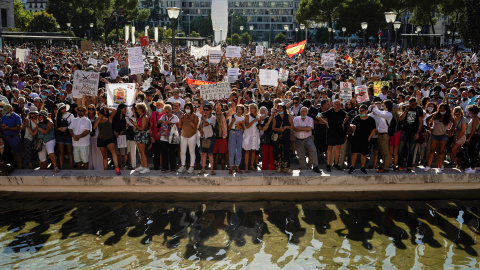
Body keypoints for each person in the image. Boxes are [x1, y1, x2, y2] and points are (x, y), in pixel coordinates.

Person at [317, 100, 348, 172]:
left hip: (339, 132)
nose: (338, 106)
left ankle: (336, 164)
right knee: (330, 148)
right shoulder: (330, 111)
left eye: (339, 104)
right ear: (333, 105)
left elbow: (347, 117)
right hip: (331, 132)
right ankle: (328, 164)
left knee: (338, 148)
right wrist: (325, 122)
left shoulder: (341, 112)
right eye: (336, 104)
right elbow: (318, 116)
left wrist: (343, 123)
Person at [424, 104, 454, 172]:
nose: (442, 110)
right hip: (434, 134)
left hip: (443, 135)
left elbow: (454, 123)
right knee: (432, 151)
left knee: (441, 152)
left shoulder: (448, 116)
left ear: (446, 110)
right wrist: (429, 127)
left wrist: (450, 130)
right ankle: (428, 166)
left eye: (443, 108)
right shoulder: (436, 114)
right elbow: (427, 119)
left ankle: (439, 167)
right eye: (441, 108)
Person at [398, 97, 424, 172]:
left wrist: (418, 133)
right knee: (401, 149)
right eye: (413, 104)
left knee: (411, 150)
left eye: (415, 104)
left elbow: (420, 122)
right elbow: (400, 118)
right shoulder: (404, 107)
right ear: (409, 104)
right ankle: (400, 165)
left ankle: (409, 166)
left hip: (414, 131)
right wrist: (406, 110)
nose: (414, 105)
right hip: (405, 130)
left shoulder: (419, 109)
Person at [348, 105, 376, 174]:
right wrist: (352, 126)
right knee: (354, 153)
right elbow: (351, 125)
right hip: (356, 138)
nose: (360, 112)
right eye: (359, 110)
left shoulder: (371, 119)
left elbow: (373, 129)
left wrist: (369, 138)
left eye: (362, 110)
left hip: (365, 139)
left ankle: (362, 167)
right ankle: (352, 166)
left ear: (366, 111)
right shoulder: (357, 118)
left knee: (364, 154)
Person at [93, 107, 121, 174]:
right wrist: (99, 118)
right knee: (104, 155)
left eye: (104, 111)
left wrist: (106, 107)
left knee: (113, 152)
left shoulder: (110, 118)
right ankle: (105, 170)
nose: (103, 112)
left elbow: (115, 110)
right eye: (102, 111)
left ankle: (117, 168)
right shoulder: (97, 119)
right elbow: (94, 127)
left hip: (109, 138)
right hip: (101, 139)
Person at [293, 107, 321, 173]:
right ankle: (303, 168)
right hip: (298, 139)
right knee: (301, 155)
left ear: (307, 112)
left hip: (308, 138)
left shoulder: (310, 119)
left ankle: (315, 166)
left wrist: (300, 128)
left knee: (313, 150)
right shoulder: (296, 119)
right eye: (301, 111)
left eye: (304, 111)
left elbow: (309, 129)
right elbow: (295, 129)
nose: (302, 113)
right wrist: (305, 128)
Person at [371, 99, 394, 173]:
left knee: (385, 152)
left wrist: (374, 107)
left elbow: (380, 114)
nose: (382, 105)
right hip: (380, 134)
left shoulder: (389, 114)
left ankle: (386, 167)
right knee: (382, 152)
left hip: (384, 135)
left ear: (387, 106)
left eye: (383, 104)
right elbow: (378, 113)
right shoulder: (384, 112)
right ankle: (383, 165)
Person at [272, 103, 294, 174]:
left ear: (284, 109)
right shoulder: (276, 117)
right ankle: (279, 167)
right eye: (278, 108)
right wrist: (279, 129)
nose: (279, 109)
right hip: (278, 137)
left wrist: (286, 127)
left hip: (286, 136)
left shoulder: (288, 116)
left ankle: (286, 167)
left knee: (286, 151)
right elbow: (273, 128)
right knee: (278, 151)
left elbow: (292, 126)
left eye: (281, 108)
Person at [157, 104, 179, 172]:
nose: (166, 113)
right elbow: (157, 124)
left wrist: (170, 123)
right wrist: (159, 122)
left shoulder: (174, 117)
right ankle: (164, 167)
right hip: (164, 137)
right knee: (164, 152)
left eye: (167, 112)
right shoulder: (163, 117)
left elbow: (177, 126)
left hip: (172, 137)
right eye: (165, 112)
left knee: (172, 152)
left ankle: (173, 167)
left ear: (170, 111)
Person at [68, 105, 92, 170]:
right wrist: (73, 136)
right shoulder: (74, 120)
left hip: (84, 144)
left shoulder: (87, 121)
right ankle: (79, 173)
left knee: (85, 160)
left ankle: (86, 174)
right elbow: (70, 129)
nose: (79, 112)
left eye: (81, 111)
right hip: (75, 144)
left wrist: (78, 136)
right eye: (78, 110)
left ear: (84, 112)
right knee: (77, 160)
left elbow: (87, 131)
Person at [178, 102, 198, 174]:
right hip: (183, 135)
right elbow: (180, 126)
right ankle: (183, 166)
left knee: (191, 152)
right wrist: (181, 119)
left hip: (192, 136)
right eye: (186, 108)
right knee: (182, 152)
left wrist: (189, 119)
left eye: (188, 108)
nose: (187, 110)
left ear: (191, 109)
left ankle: (191, 166)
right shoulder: (183, 116)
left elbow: (194, 126)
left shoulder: (195, 116)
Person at [0, 104, 22, 168]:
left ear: (11, 110)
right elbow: (1, 125)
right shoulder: (4, 116)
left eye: (7, 112)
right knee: (8, 153)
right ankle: (12, 165)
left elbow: (19, 127)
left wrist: (8, 128)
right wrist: (2, 126)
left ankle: (20, 166)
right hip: (6, 137)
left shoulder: (17, 117)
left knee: (17, 153)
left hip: (15, 137)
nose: (6, 113)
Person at [130, 103, 150, 173]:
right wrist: (135, 123)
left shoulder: (144, 117)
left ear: (141, 109)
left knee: (142, 152)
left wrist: (134, 124)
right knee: (140, 152)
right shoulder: (141, 116)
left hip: (142, 135)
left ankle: (146, 167)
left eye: (137, 108)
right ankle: (142, 165)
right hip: (139, 135)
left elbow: (142, 128)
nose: (137, 110)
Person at [199, 104, 216, 175]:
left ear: (210, 110)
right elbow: (200, 126)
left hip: (210, 137)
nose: (205, 111)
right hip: (203, 137)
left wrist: (203, 117)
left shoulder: (212, 118)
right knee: (203, 153)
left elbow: (206, 124)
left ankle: (212, 169)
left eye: (206, 110)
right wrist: (200, 130)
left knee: (210, 154)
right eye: (204, 110)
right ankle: (203, 168)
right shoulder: (202, 117)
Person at [55, 103, 74, 169]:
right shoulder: (57, 116)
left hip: (68, 135)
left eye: (65, 107)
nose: (64, 109)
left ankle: (71, 166)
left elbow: (73, 124)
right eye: (62, 108)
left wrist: (67, 128)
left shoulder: (71, 115)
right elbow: (56, 127)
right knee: (61, 152)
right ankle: (61, 166)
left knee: (70, 152)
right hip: (60, 135)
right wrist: (59, 129)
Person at [228, 105, 245, 174]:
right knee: (231, 151)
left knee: (239, 151)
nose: (239, 110)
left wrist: (243, 125)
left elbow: (243, 130)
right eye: (238, 109)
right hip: (232, 132)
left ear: (242, 111)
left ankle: (237, 167)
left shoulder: (243, 118)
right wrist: (232, 121)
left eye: (240, 109)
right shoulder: (232, 116)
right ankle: (231, 167)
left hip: (240, 133)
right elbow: (228, 128)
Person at [243, 104, 260, 173]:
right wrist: (254, 120)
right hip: (248, 135)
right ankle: (246, 166)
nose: (251, 109)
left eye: (252, 108)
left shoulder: (258, 116)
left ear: (256, 109)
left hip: (255, 135)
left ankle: (252, 165)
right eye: (250, 108)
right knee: (247, 151)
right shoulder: (247, 116)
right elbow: (247, 126)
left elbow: (260, 127)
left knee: (253, 150)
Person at [258, 106, 275, 171]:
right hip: (266, 138)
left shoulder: (278, 119)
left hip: (274, 139)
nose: (273, 114)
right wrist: (269, 120)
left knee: (272, 155)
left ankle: (272, 168)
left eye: (275, 112)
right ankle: (264, 168)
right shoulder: (267, 119)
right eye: (272, 112)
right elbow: (264, 128)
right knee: (265, 154)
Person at [87, 104, 103, 170]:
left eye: (92, 109)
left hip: (96, 136)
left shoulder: (97, 118)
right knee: (89, 152)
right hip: (87, 137)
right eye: (89, 109)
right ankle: (91, 166)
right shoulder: (86, 118)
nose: (91, 110)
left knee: (97, 152)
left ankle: (98, 166)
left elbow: (96, 127)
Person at [112, 103, 129, 169]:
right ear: (120, 109)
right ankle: (118, 165)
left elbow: (127, 127)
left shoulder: (126, 117)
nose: (126, 110)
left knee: (123, 153)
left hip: (123, 137)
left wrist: (123, 131)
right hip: (116, 137)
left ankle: (124, 165)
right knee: (117, 152)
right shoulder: (115, 117)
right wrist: (115, 132)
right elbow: (112, 126)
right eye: (125, 109)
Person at [149, 100, 164, 170]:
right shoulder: (153, 114)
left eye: (159, 105)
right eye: (157, 105)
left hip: (164, 138)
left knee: (164, 154)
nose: (158, 107)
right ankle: (156, 168)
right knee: (156, 154)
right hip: (155, 138)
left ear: (163, 106)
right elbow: (151, 126)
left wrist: (161, 132)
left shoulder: (165, 114)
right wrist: (151, 136)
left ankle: (164, 168)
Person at [213, 102, 228, 171]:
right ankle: (215, 167)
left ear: (221, 107)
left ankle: (222, 168)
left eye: (219, 105)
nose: (218, 106)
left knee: (222, 154)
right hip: (214, 137)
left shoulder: (224, 114)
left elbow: (233, 110)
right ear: (214, 107)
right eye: (216, 105)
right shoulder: (212, 115)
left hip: (223, 137)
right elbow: (208, 120)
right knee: (215, 154)